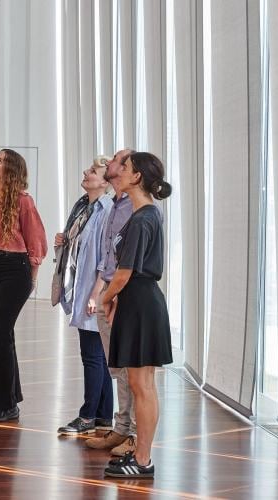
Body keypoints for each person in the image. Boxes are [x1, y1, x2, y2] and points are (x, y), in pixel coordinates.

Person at [102, 152, 173, 479]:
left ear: (137, 178)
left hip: (141, 302)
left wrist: (106, 297)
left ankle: (142, 460)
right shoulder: (143, 214)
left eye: (126, 168)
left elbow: (123, 272)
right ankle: (140, 454)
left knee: (142, 385)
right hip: (138, 302)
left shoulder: (144, 217)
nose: (120, 171)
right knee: (139, 382)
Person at [0, 149, 48, 422]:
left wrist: (33, 277)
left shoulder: (23, 201)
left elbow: (37, 242)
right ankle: (12, 398)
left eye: (1, 161)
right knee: (4, 335)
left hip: (16, 269)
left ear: (12, 170)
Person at [53, 156, 115, 436]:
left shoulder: (105, 211)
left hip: (92, 291)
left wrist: (95, 294)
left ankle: (87, 416)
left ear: (105, 182)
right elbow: (80, 248)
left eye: (92, 171)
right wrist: (64, 242)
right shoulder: (83, 206)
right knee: (98, 356)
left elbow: (106, 258)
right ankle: (103, 416)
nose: (85, 172)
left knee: (92, 356)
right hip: (81, 287)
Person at [85, 149, 138, 456]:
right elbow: (107, 257)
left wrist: (111, 294)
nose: (112, 163)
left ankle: (130, 433)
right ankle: (121, 428)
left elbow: (129, 261)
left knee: (130, 370)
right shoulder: (114, 204)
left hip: (124, 294)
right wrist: (100, 293)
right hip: (109, 291)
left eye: (119, 160)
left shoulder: (135, 207)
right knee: (116, 366)